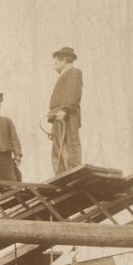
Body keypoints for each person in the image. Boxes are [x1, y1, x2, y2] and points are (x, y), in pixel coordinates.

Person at [46, 47, 83, 175]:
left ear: (65, 60)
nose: (55, 64)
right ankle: (61, 175)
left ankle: (73, 173)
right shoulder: (62, 76)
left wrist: (65, 109)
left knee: (69, 145)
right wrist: (52, 126)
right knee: (59, 149)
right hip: (58, 118)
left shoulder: (73, 73)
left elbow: (74, 94)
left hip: (67, 116)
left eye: (57, 61)